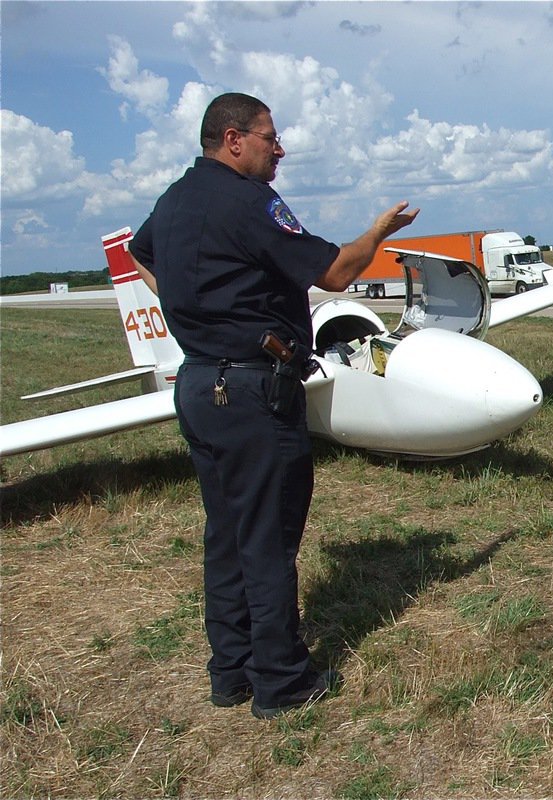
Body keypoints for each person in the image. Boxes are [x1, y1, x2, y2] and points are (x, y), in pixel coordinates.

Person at [129, 92, 419, 718]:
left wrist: (188, 310)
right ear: (233, 139)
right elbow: (337, 274)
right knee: (266, 538)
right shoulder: (248, 201)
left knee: (227, 535)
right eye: (269, 137)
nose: (279, 148)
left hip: (199, 387)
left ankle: (230, 672)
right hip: (253, 392)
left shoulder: (174, 199)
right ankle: (281, 680)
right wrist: (376, 233)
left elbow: (141, 252)